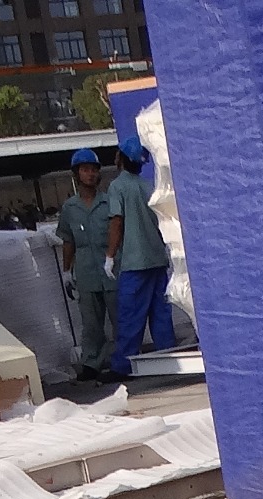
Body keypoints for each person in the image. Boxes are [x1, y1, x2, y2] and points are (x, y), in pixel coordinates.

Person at [101, 147, 173, 380]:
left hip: (134, 262)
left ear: (120, 158)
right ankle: (168, 360)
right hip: (157, 258)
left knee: (131, 315)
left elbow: (117, 223)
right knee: (160, 314)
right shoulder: (148, 186)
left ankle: (123, 366)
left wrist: (110, 256)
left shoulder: (117, 186)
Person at [55, 147, 119, 382]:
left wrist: (113, 259)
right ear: (76, 174)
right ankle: (91, 363)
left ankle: (124, 360)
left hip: (111, 269)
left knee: (120, 317)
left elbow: (118, 231)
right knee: (91, 323)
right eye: (85, 170)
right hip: (86, 271)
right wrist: (66, 271)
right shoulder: (70, 208)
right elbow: (68, 240)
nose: (90, 174)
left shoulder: (109, 202)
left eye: (93, 170)